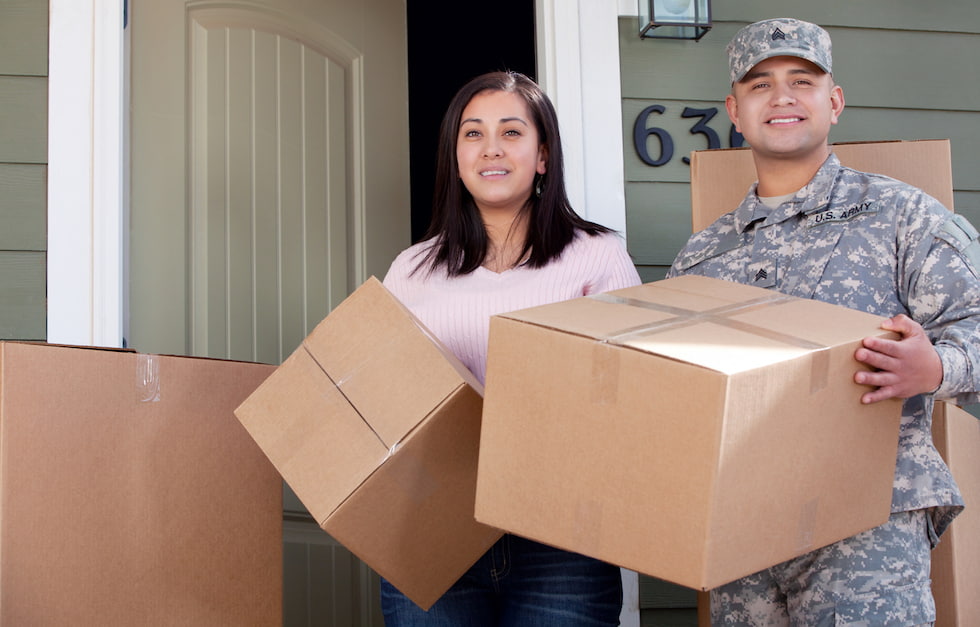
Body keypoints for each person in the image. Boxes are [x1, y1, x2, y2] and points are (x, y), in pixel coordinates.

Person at [668, 18, 980, 626]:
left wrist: (936, 365)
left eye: (801, 81)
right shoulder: (702, 256)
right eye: (759, 85)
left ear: (833, 102)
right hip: (742, 533)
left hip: (866, 523)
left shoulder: (902, 216)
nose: (781, 97)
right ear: (735, 110)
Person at [381, 71, 640, 625]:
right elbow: (385, 391)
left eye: (512, 132)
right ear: (456, 158)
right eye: (473, 134)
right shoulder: (412, 269)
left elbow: (633, 390)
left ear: (543, 155)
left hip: (562, 535)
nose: (491, 148)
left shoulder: (596, 257)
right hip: (432, 524)